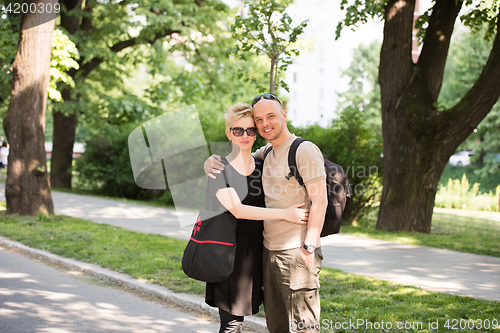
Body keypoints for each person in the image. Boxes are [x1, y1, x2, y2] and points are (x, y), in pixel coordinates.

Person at [205, 94, 327, 333]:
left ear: (283, 115)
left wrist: (310, 246)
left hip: (296, 252)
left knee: (303, 328)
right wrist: (210, 162)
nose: (263, 124)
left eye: (270, 116)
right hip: (269, 253)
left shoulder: (304, 150)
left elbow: (320, 200)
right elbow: (240, 160)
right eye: (259, 119)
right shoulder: (267, 153)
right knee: (278, 326)